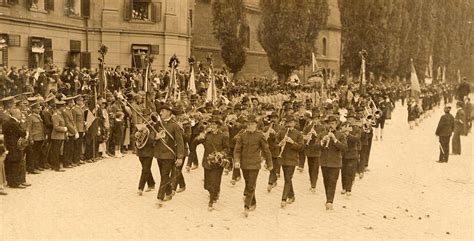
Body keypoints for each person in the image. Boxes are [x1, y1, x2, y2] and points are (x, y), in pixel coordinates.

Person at [233, 114, 273, 217]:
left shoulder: (260, 136)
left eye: (252, 124)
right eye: (248, 124)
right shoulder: (242, 136)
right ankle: (253, 202)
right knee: (248, 184)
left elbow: (266, 150)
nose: (250, 126)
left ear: (256, 125)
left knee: (251, 185)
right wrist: (236, 161)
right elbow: (237, 150)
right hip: (244, 165)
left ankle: (246, 207)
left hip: (255, 165)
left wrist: (269, 163)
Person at [194, 116, 230, 211]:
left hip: (217, 163)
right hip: (207, 162)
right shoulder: (207, 135)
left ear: (218, 126)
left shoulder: (223, 136)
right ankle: (213, 192)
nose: (213, 126)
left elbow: (227, 148)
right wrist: (200, 137)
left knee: (215, 181)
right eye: (212, 124)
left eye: (215, 124)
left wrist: (221, 154)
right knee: (207, 184)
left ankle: (211, 200)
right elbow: (195, 142)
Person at [154, 103, 184, 208]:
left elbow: (180, 142)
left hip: (169, 155)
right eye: (160, 111)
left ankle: (159, 198)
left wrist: (180, 157)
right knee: (163, 176)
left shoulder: (174, 125)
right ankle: (169, 193)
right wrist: (155, 137)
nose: (160, 113)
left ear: (169, 112)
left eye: (163, 111)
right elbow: (151, 136)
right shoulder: (157, 124)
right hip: (158, 154)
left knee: (164, 175)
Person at [319, 115, 347, 210]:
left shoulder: (340, 135)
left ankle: (330, 201)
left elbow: (344, 148)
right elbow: (315, 146)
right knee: (326, 181)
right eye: (329, 124)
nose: (331, 126)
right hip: (324, 162)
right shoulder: (322, 133)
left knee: (332, 182)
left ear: (336, 124)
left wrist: (334, 139)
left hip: (335, 163)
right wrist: (322, 141)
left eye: (333, 124)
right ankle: (328, 198)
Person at [277, 115, 303, 208]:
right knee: (287, 178)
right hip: (283, 158)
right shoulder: (282, 132)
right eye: (288, 122)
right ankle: (291, 195)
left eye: (291, 122)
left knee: (288, 179)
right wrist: (281, 143)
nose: (289, 124)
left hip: (292, 159)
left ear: (294, 123)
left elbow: (301, 147)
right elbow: (277, 144)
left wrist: (292, 142)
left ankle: (284, 199)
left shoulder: (298, 134)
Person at [3, 107, 29, 188]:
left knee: (13, 164)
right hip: (14, 146)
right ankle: (15, 183)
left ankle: (15, 181)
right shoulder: (13, 123)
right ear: (15, 114)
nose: (21, 115)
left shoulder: (9, 122)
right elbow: (22, 133)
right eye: (19, 113)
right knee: (15, 164)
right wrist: (26, 131)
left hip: (11, 145)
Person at [340, 113, 361, 196]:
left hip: (352, 153)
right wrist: (343, 132)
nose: (350, 120)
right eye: (348, 119)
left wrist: (348, 134)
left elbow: (356, 139)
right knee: (343, 171)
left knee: (350, 171)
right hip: (344, 153)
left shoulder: (357, 129)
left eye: (352, 119)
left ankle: (349, 189)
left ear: (354, 120)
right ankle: (344, 187)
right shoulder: (343, 127)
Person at [135, 122, 155, 196]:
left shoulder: (153, 128)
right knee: (146, 168)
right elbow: (136, 138)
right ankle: (151, 184)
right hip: (141, 151)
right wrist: (138, 133)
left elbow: (152, 139)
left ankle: (140, 188)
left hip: (149, 152)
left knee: (145, 169)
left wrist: (145, 132)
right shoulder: (140, 128)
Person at [50, 100, 68, 172]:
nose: (64, 108)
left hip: (60, 136)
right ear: (59, 107)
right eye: (63, 106)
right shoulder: (56, 115)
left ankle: (55, 165)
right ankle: (56, 166)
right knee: (56, 152)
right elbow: (56, 127)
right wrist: (64, 129)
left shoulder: (60, 114)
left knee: (58, 151)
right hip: (56, 136)